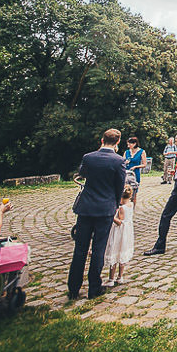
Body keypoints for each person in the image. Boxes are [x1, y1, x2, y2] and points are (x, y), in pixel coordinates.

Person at [68, 128, 127, 299]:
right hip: (105, 209)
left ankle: (73, 288)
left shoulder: (88, 157)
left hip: (86, 207)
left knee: (80, 249)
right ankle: (94, 288)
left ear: (102, 140)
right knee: (98, 249)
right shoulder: (118, 161)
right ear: (117, 142)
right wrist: (115, 204)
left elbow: (83, 173)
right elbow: (119, 186)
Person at [103, 186, 135, 287]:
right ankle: (120, 276)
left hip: (119, 233)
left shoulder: (122, 208)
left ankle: (111, 279)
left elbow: (120, 222)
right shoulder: (131, 204)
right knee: (122, 254)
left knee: (115, 253)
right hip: (127, 233)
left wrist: (112, 216)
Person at [123, 137, 145, 206]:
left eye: (129, 144)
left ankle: (132, 208)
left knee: (134, 192)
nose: (128, 146)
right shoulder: (126, 152)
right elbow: (122, 162)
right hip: (126, 173)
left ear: (134, 144)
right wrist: (125, 162)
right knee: (125, 191)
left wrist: (136, 166)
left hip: (135, 174)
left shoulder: (141, 152)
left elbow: (144, 164)